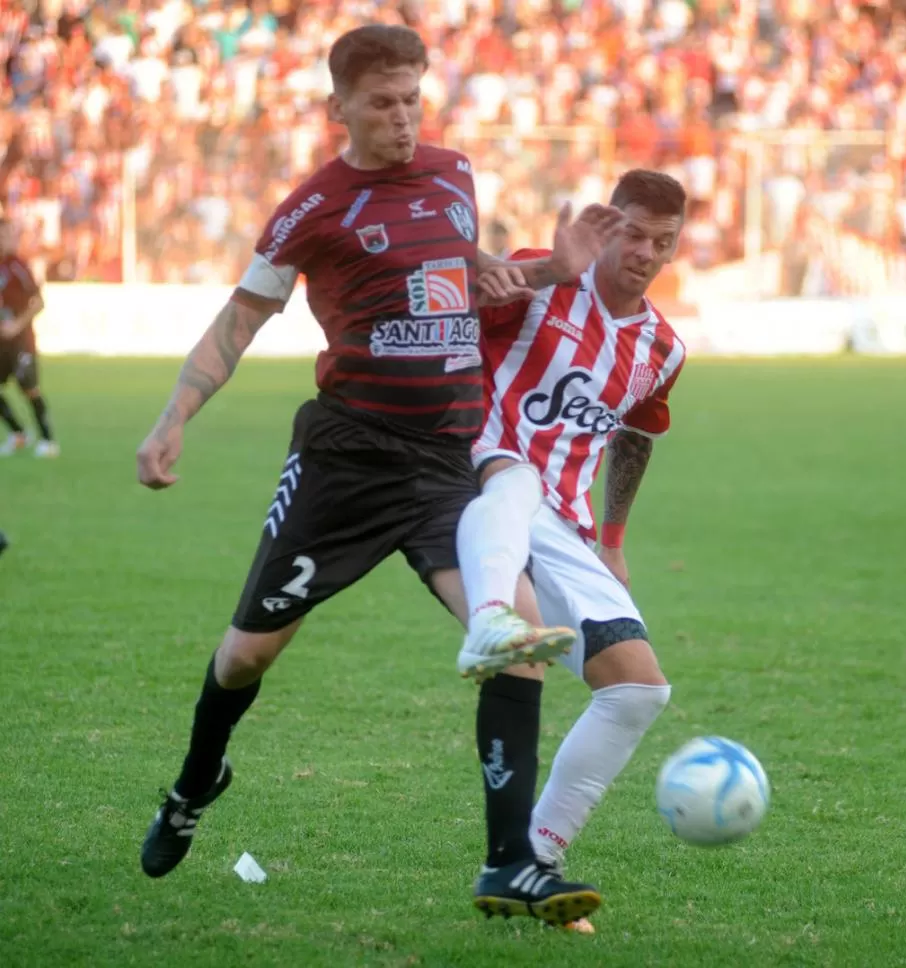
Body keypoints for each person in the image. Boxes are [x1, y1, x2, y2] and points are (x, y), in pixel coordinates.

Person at [135, 24, 620, 926]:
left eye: (412, 101)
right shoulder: (311, 208)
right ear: (339, 109)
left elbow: (464, 284)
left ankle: (510, 863)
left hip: (445, 460)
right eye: (381, 104)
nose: (401, 120)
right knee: (247, 656)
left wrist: (557, 269)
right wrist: (173, 420)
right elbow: (239, 320)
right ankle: (195, 783)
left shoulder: (454, 175)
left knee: (518, 639)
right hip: (346, 460)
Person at [463, 169, 688, 932]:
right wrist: (544, 270)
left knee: (638, 689)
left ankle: (535, 858)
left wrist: (615, 540)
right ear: (606, 223)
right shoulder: (546, 278)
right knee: (515, 489)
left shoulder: (661, 346)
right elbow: (454, 298)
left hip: (560, 521)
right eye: (632, 232)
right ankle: (490, 614)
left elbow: (637, 432)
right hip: (484, 475)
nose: (646, 252)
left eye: (664, 241)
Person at [0, 219, 58, 458]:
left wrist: (17, 325)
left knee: (30, 389)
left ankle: (48, 440)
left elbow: (39, 302)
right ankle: (18, 434)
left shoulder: (18, 267)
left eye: (7, 236)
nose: (6, 241)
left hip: (21, 342)